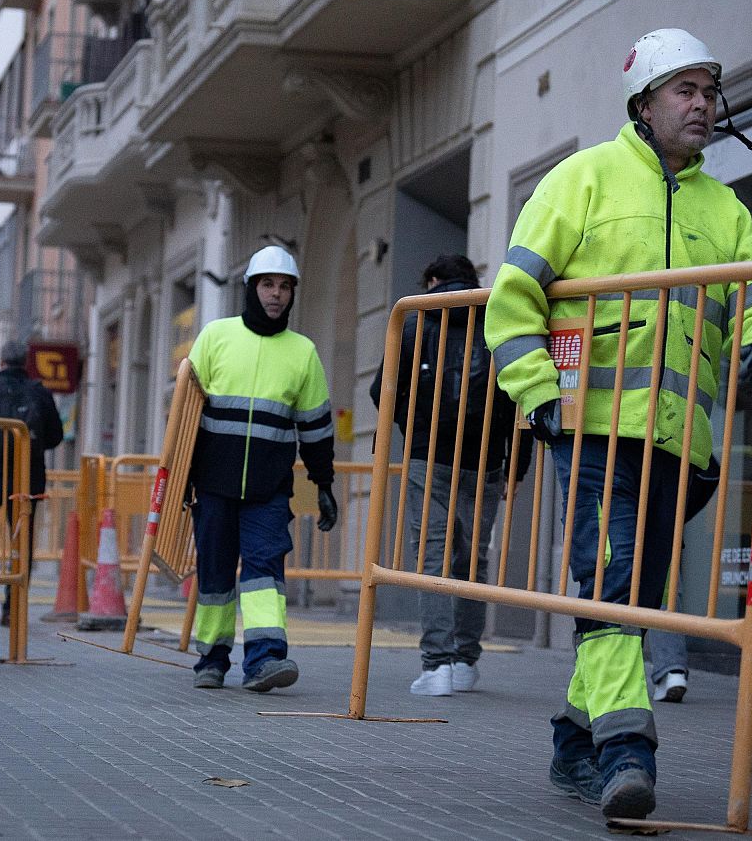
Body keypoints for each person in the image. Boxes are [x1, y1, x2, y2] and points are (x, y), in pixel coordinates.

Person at [483, 28, 752, 819]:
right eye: (685, 91)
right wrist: (535, 391)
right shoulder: (581, 180)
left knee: (629, 595)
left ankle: (571, 742)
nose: (702, 105)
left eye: (708, 91)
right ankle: (627, 752)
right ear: (645, 103)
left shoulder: (723, 207)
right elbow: (513, 297)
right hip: (589, 428)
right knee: (615, 586)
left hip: (679, 444)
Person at [369, 253, 529, 698]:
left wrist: (411, 429)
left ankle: (436, 665)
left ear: (434, 280)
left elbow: (380, 387)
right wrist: (517, 464)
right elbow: (520, 397)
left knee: (431, 559)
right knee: (472, 560)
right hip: (486, 460)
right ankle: (465, 661)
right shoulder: (498, 320)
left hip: (429, 456)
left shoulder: (415, 317)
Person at [187, 245, 338, 693]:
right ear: (251, 288)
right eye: (268, 284)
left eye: (285, 286)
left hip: (269, 488)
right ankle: (211, 660)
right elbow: (185, 413)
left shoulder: (303, 353)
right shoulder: (215, 336)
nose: (276, 294)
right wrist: (176, 476)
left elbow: (315, 427)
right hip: (212, 483)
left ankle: (265, 661)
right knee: (215, 573)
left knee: (263, 573)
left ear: (292, 294)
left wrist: (323, 483)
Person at [0, 340, 64, 626]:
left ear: (2, 361)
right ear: (26, 362)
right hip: (26, 479)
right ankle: (12, 607)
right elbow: (55, 436)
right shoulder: (39, 393)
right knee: (21, 539)